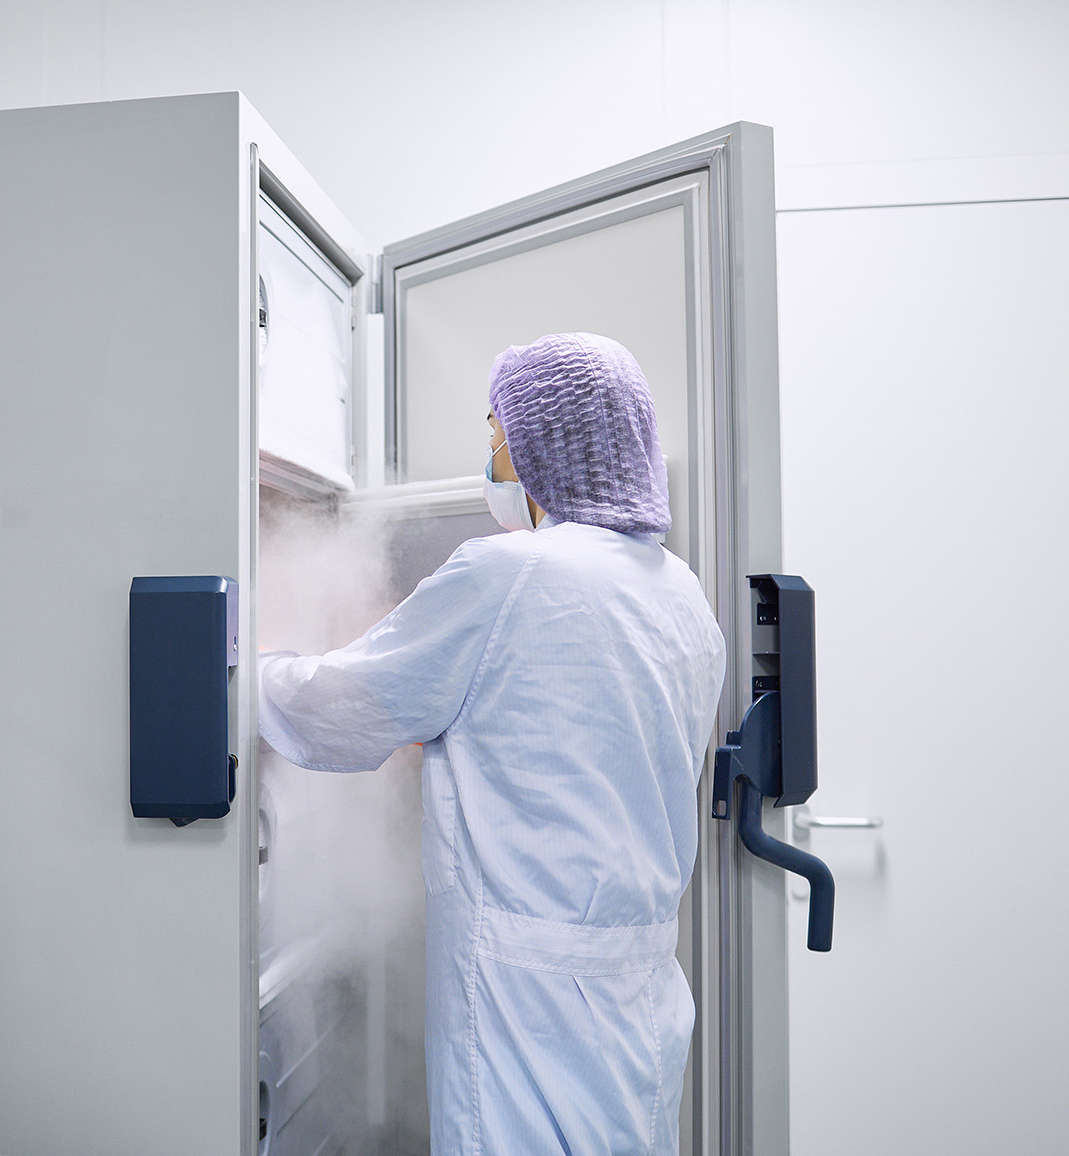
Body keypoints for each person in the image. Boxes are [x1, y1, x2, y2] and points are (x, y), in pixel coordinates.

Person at [257, 332, 727, 1155]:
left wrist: (245, 667)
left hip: (526, 996)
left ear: (546, 442)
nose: (491, 457)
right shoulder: (679, 592)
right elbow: (559, 738)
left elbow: (335, 712)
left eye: (497, 433)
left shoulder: (516, 574)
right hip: (639, 989)